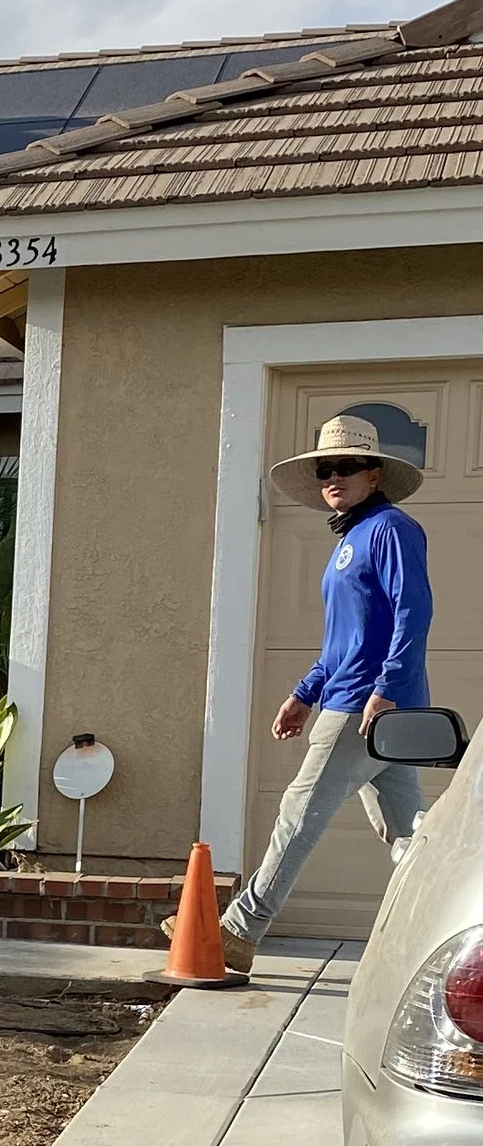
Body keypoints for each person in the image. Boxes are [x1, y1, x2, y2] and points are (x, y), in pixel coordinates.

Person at [188, 412, 434, 972]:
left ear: (374, 475)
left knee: (298, 811)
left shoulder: (391, 529)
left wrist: (388, 688)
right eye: (326, 467)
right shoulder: (353, 537)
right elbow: (344, 637)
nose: (334, 477)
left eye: (347, 466)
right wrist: (304, 692)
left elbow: (413, 611)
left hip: (366, 705)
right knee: (410, 835)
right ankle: (449, 934)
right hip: (356, 697)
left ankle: (239, 931)